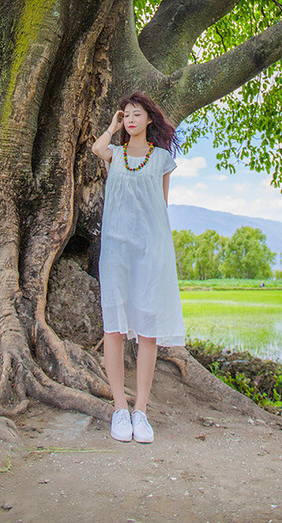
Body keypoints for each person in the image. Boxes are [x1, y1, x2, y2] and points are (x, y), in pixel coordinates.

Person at [92, 92, 185, 444]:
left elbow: (162, 206)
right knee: (113, 328)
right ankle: (119, 408)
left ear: (149, 119)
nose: (130, 119)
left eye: (136, 114)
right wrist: (112, 126)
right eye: (126, 115)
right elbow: (97, 149)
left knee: (148, 330)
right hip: (116, 250)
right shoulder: (114, 155)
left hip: (150, 250)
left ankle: (141, 410)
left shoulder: (161, 159)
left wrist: (160, 251)